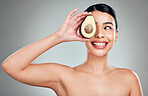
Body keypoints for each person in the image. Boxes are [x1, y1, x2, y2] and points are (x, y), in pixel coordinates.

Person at [2, 3, 143, 96]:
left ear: (116, 35)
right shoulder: (63, 76)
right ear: (82, 31)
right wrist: (59, 36)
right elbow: (11, 66)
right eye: (92, 26)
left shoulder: (129, 78)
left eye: (107, 27)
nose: (99, 34)